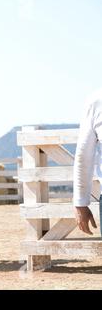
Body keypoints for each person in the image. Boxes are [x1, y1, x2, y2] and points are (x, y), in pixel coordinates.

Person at [73, 93, 102, 235]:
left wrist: (81, 202)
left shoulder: (97, 100)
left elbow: (84, 155)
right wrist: (80, 202)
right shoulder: (96, 101)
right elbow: (83, 155)